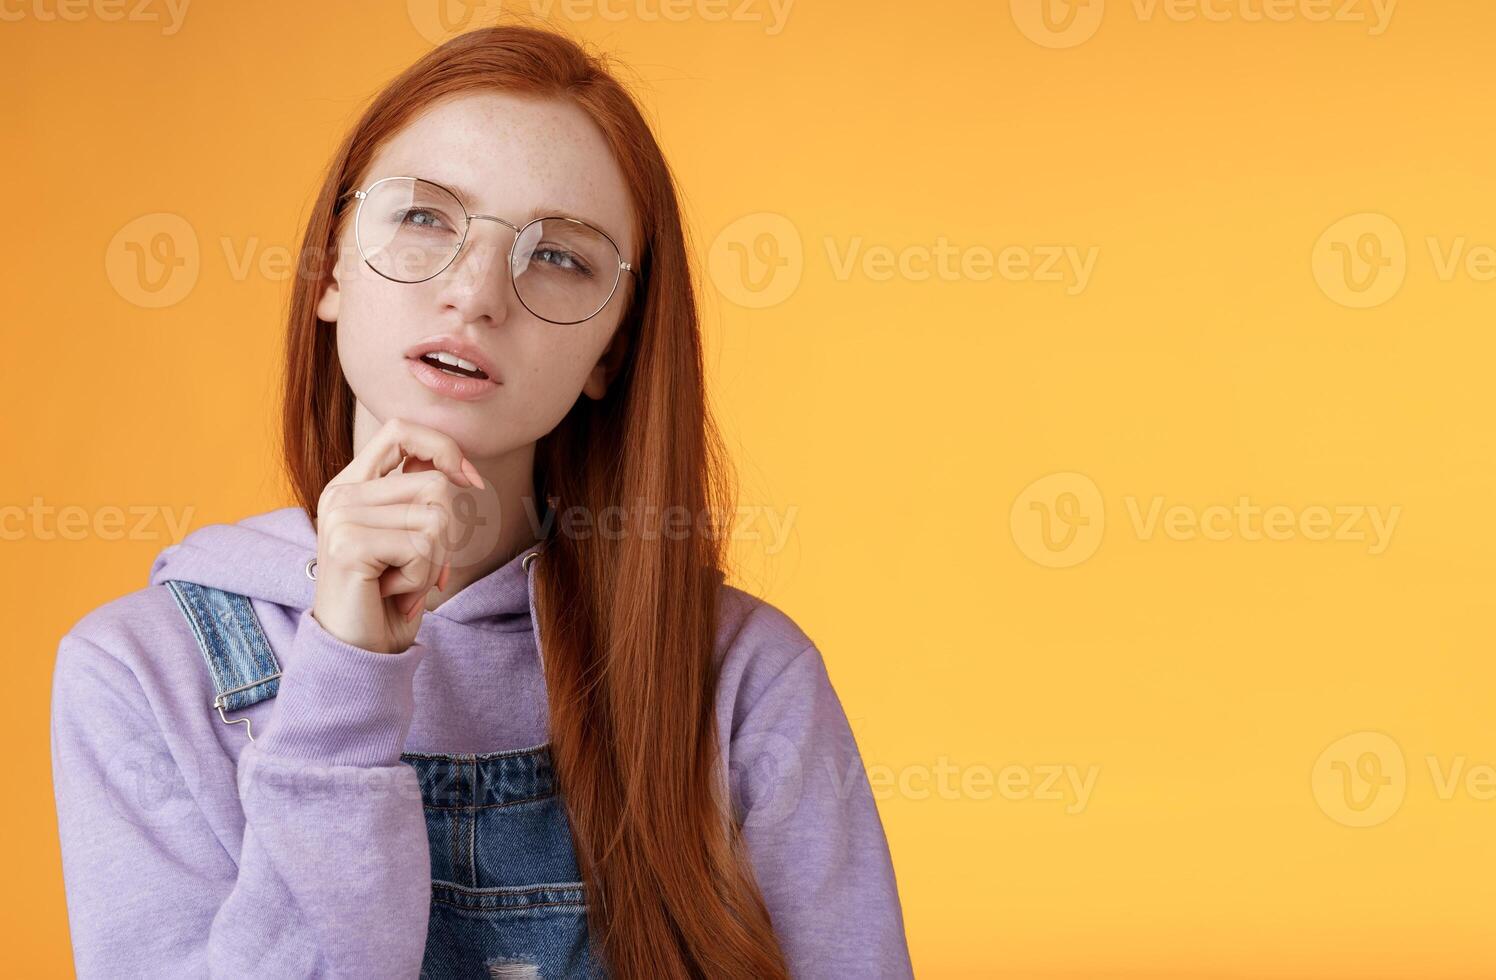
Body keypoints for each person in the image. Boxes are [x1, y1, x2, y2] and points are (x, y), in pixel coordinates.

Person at [48, 25, 912, 979]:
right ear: (332, 267)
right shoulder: (139, 673)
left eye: (562, 258)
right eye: (424, 217)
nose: (475, 293)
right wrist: (347, 678)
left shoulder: (745, 678)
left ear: (611, 353)